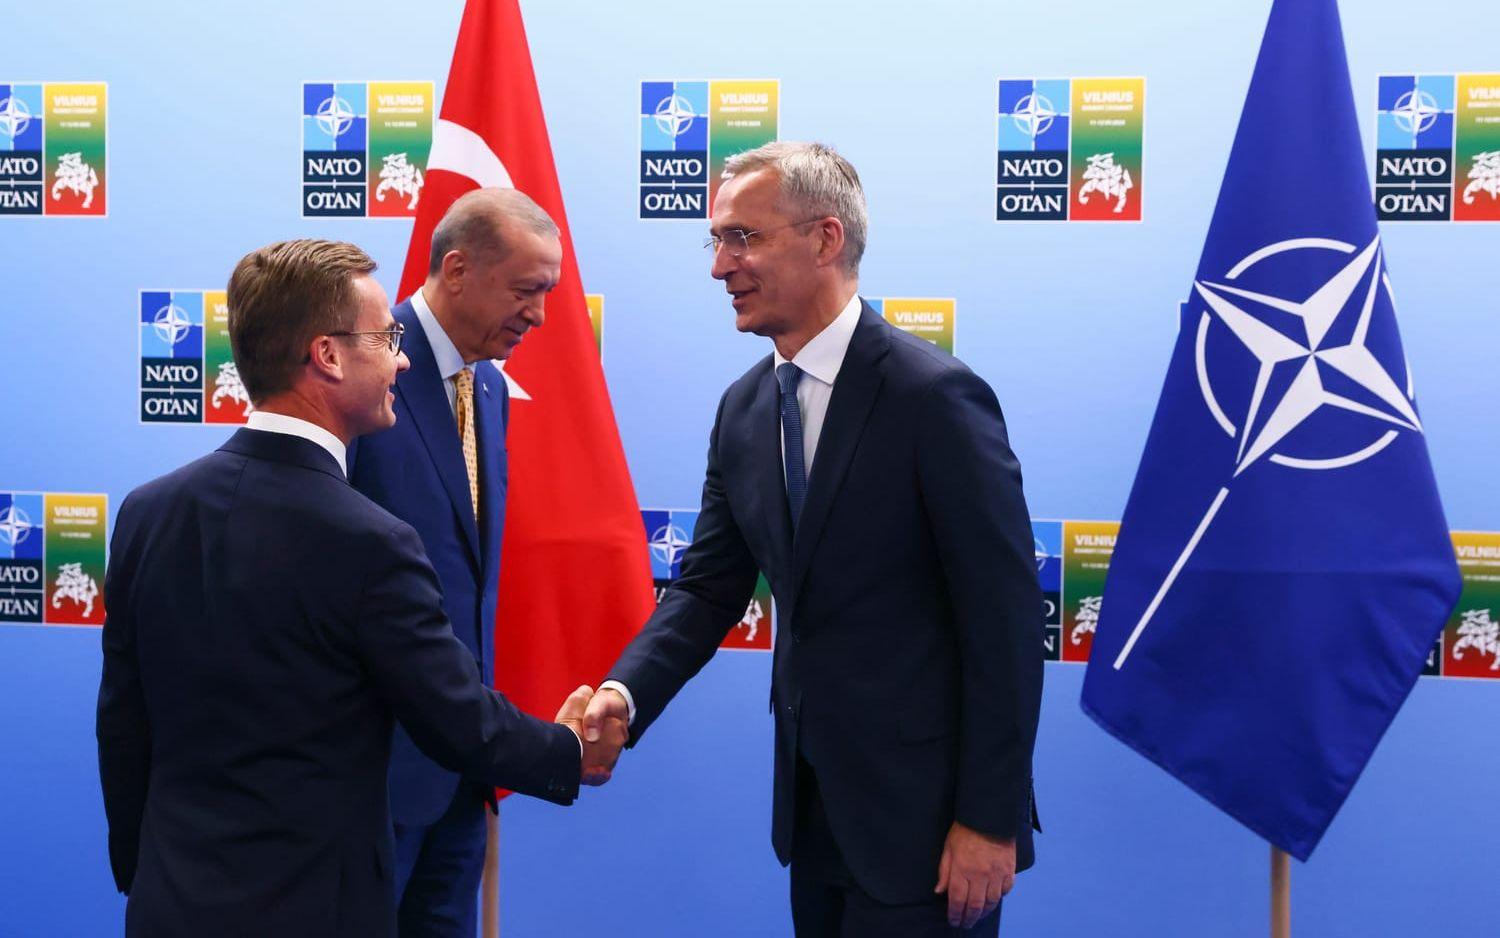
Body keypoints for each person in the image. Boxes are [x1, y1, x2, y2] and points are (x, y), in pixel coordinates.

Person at [95, 239, 625, 938]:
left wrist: (145, 875)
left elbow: (123, 726)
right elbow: (454, 717)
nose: (402, 360)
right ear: (328, 355)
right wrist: (568, 751)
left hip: (169, 902)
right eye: (386, 338)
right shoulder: (371, 541)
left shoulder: (147, 512)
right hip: (316, 909)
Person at [584, 142, 1043, 936]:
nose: (720, 267)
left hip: (933, 829)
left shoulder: (934, 398)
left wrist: (990, 819)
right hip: (814, 817)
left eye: (742, 237)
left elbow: (1005, 621)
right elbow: (707, 589)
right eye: (716, 241)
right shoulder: (742, 409)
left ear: (826, 239)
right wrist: (624, 694)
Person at [347, 188, 561, 937]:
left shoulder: (490, 386)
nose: (539, 315)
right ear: (460, 269)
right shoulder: (362, 366)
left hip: (463, 773)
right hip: (371, 775)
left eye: (547, 292)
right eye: (526, 290)